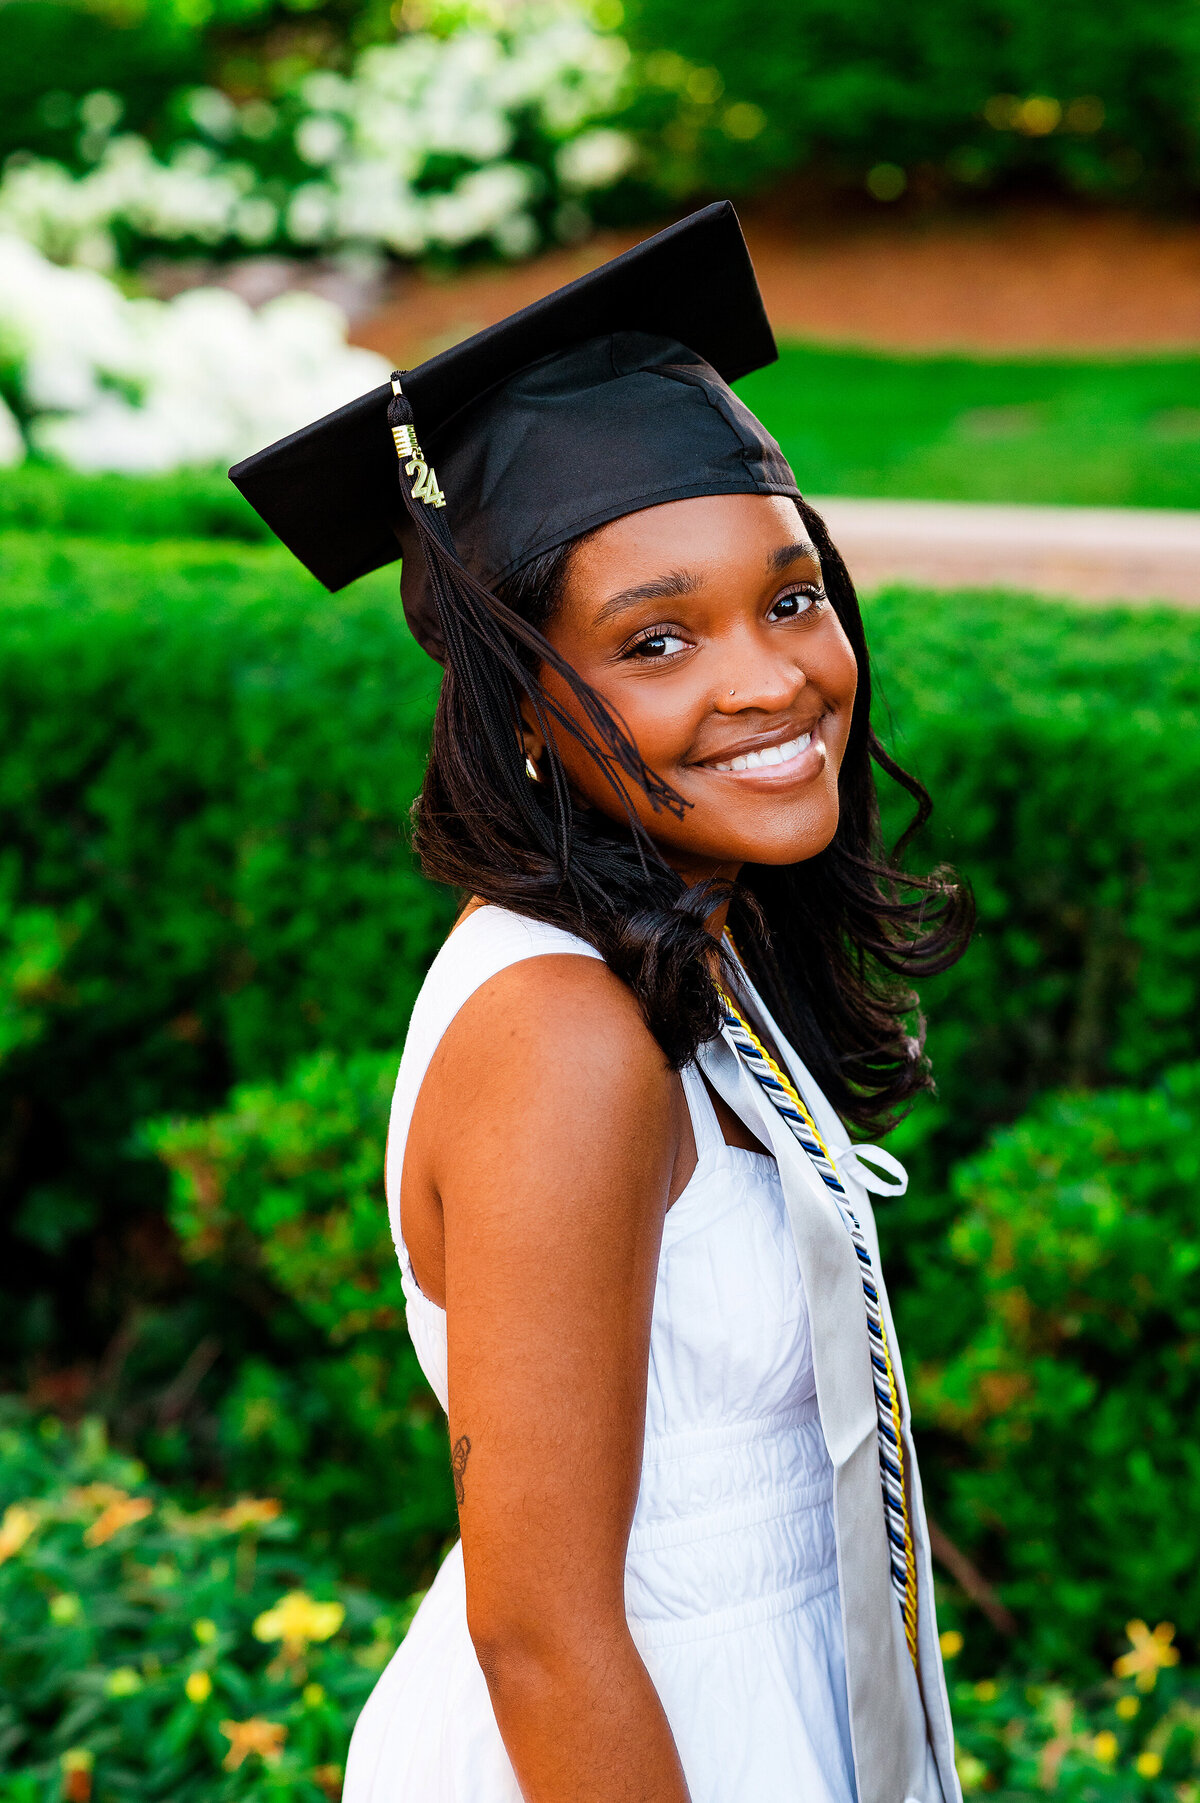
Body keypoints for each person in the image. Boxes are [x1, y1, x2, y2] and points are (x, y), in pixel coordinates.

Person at [232, 202, 974, 1803]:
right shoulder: (566, 1033)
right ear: (524, 715)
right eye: (656, 641)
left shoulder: (677, 949)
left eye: (789, 599)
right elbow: (545, 1634)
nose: (770, 680)